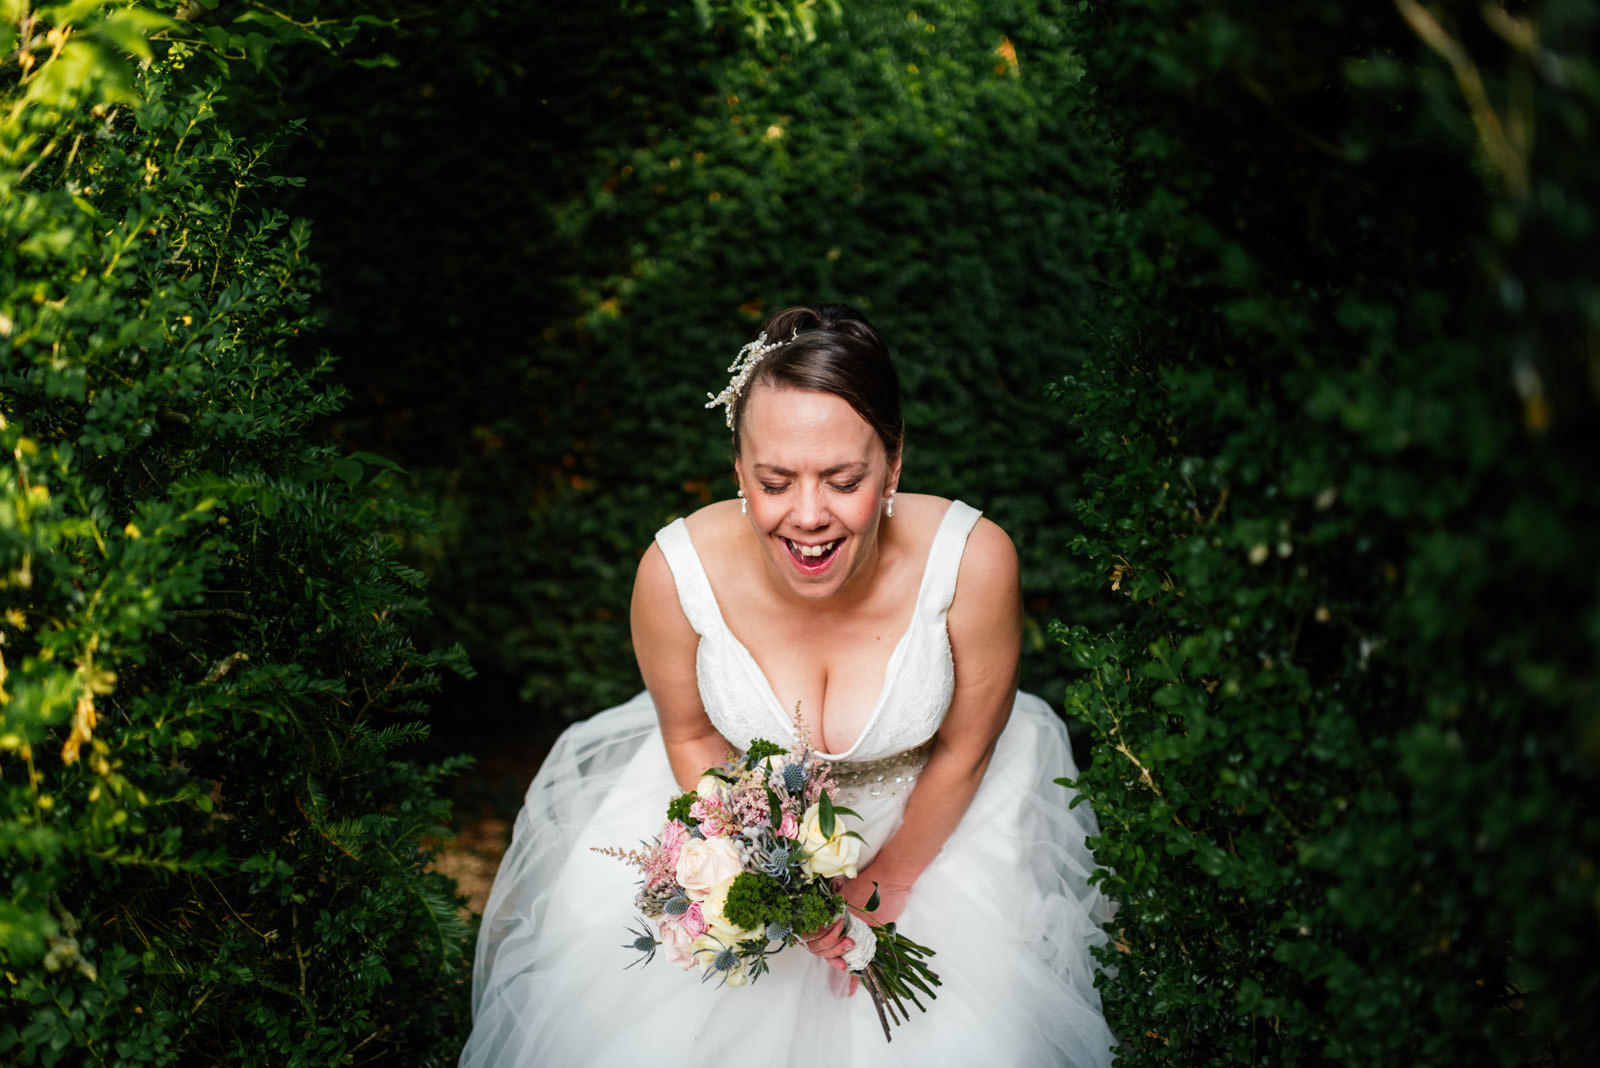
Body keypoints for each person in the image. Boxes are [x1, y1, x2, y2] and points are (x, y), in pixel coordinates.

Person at [460, 305, 1116, 1067]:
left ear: (894, 465)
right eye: (775, 481)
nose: (809, 517)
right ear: (740, 470)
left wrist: (882, 886)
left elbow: (968, 748)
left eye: (844, 480)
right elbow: (692, 735)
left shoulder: (974, 562)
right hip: (744, 821)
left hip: (939, 822)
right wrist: (772, 879)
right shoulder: (675, 575)